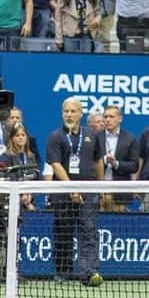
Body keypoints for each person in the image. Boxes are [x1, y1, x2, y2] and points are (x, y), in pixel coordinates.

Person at [46, 97, 103, 286]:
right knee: (63, 231)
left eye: (73, 111)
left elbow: (98, 162)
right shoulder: (55, 136)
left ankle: (89, 272)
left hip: (89, 193)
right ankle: (63, 271)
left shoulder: (92, 135)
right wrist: (71, 188)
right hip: (63, 193)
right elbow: (55, 164)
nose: (69, 115)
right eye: (66, 111)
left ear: (81, 113)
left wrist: (101, 187)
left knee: (89, 231)